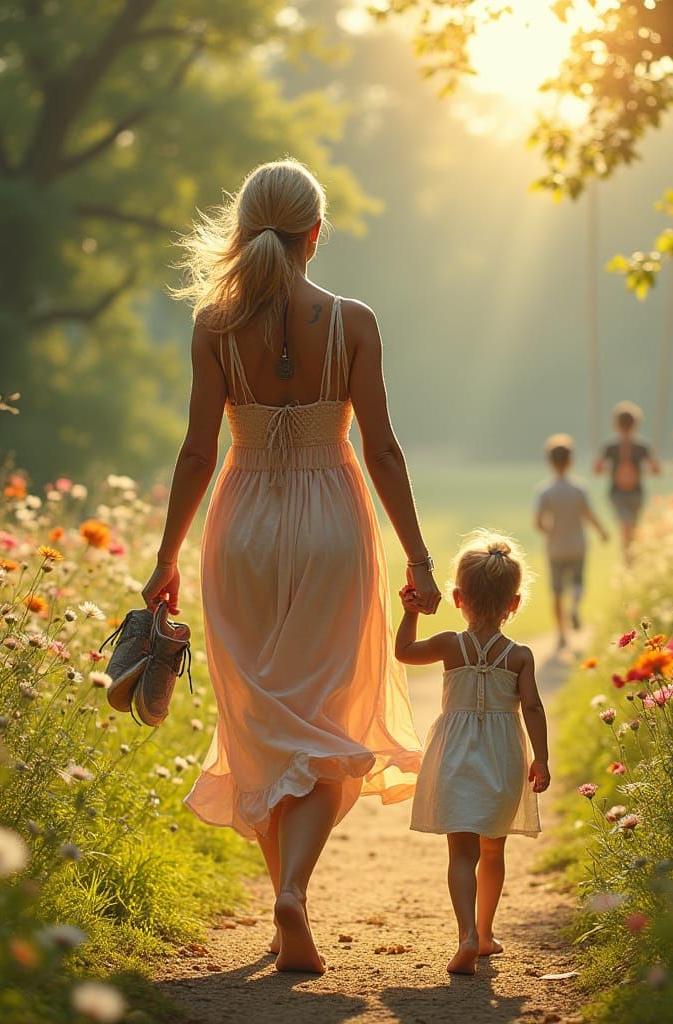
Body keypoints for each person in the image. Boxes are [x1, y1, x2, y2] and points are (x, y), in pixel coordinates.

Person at [141, 159, 441, 975]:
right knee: (328, 724)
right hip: (334, 526)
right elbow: (382, 449)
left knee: (264, 723)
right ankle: (294, 895)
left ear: (244, 232)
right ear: (316, 233)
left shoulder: (214, 325)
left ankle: (286, 902)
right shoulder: (354, 322)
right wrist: (417, 555)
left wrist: (167, 556)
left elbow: (198, 452)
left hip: (241, 527)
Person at [395, 532, 550, 976]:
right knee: (493, 851)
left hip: (456, 757)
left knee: (461, 855)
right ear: (514, 603)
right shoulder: (519, 655)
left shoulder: (450, 644)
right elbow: (533, 707)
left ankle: (465, 934)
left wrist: (410, 612)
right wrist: (541, 758)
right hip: (502, 761)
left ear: (458, 598)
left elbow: (403, 652)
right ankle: (484, 934)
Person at [535, 434, 608, 648]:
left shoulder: (545, 491)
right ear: (571, 461)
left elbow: (538, 522)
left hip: (555, 548)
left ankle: (561, 633)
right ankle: (574, 607)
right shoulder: (579, 489)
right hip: (577, 545)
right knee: (578, 583)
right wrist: (602, 531)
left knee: (557, 592)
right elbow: (588, 514)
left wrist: (550, 531)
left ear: (550, 462)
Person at [594, 402, 659, 563]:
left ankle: (631, 560)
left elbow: (597, 469)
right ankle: (629, 561)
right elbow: (655, 469)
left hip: (623, 492)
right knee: (628, 526)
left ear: (616, 424)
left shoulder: (613, 446)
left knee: (631, 528)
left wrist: (609, 469)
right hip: (628, 493)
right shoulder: (638, 446)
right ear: (636, 424)